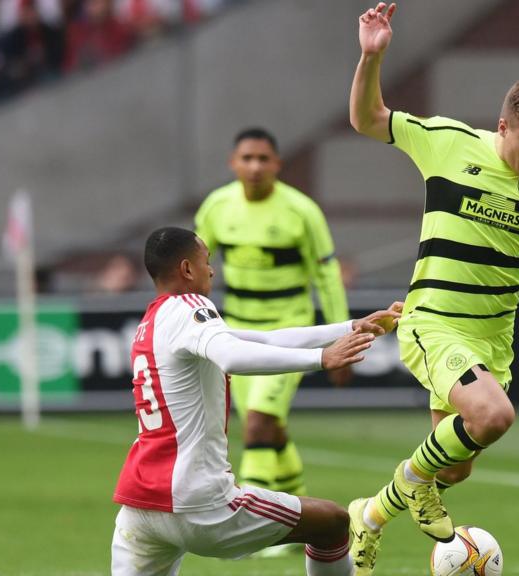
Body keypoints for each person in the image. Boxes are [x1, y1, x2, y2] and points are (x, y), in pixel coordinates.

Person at [346, 4, 519, 574]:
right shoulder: (447, 142)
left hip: (492, 339)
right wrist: (372, 56)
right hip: (434, 322)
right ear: (504, 125)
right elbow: (368, 119)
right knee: (494, 415)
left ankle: (366, 517)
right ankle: (412, 485)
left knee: (455, 465)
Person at [111, 226, 400, 575]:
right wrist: (321, 359)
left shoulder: (153, 321)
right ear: (187, 269)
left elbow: (266, 339)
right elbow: (232, 356)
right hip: (198, 502)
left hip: (139, 506)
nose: (212, 270)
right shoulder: (190, 306)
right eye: (206, 261)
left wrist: (350, 327)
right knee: (333, 523)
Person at [195, 127, 350, 549]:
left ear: (278, 165)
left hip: (289, 330)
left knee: (260, 423)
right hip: (237, 332)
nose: (255, 166)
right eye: (247, 158)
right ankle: (309, 518)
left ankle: (257, 531)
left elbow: (327, 275)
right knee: (268, 429)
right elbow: (193, 268)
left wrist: (344, 335)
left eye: (264, 159)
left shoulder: (301, 211)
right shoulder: (216, 207)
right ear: (233, 164)